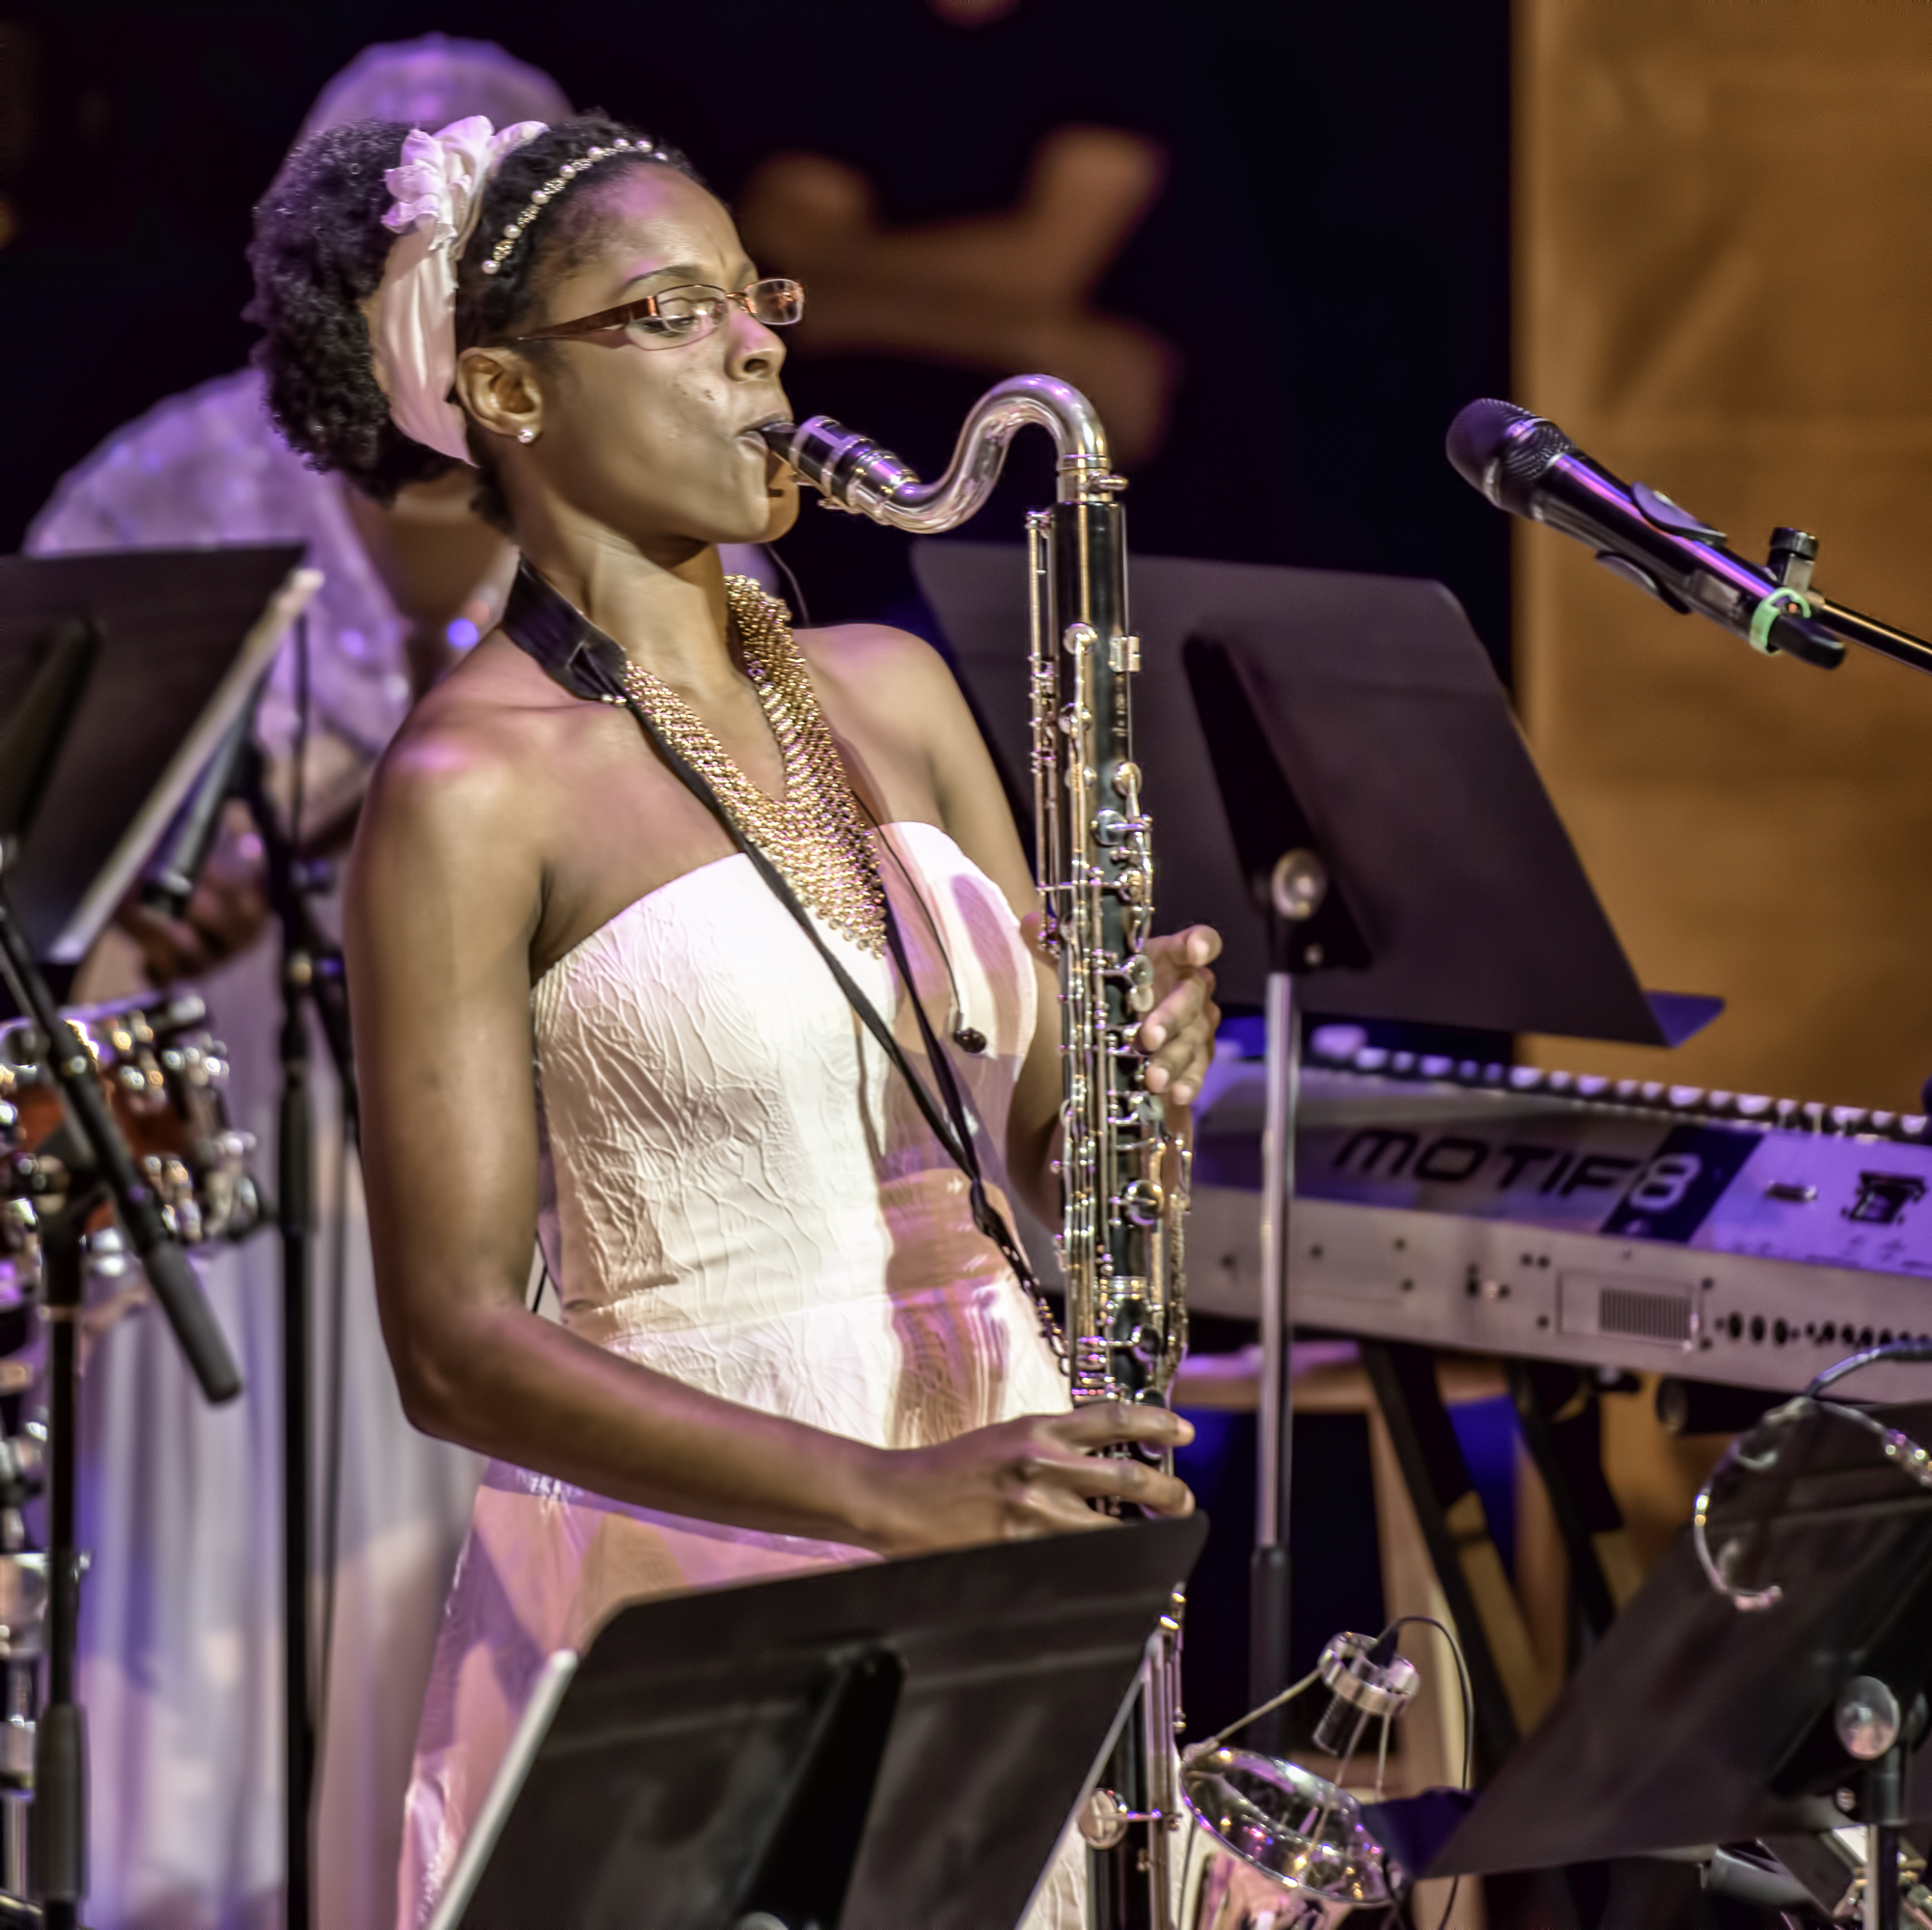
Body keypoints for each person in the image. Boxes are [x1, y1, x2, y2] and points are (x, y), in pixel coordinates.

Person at [243, 105, 1222, 1926]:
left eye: (753, 298)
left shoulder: (898, 688)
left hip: (1013, 1493)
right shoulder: (468, 791)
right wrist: (888, 1498)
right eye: (671, 312)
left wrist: (1123, 1092)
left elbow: (1019, 1151)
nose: (761, 341)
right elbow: (452, 1345)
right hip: (709, 1563)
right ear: (509, 395)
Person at [25, 37, 571, 1930]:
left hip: (490, 1159)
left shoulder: (575, 491)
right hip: (232, 1173)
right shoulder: (165, 484)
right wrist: (120, 917)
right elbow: (42, 848)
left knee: (437, 1667)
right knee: (218, 1665)